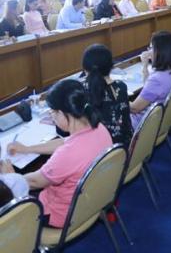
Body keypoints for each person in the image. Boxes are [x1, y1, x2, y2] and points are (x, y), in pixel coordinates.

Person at [6, 79, 112, 228]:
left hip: (63, 214)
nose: (52, 117)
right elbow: (64, 142)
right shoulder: (99, 128)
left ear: (62, 113)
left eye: (52, 113)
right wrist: (28, 149)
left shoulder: (68, 154)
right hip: (91, 199)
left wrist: (11, 178)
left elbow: (35, 182)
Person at [82, 44, 133, 148]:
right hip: (126, 146)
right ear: (111, 66)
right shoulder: (121, 87)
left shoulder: (83, 93)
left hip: (101, 151)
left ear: (85, 70)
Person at [130, 31, 171, 128]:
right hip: (160, 119)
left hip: (144, 124)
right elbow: (147, 88)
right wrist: (145, 66)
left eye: (151, 48)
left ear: (159, 52)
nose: (149, 51)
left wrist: (120, 99)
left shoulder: (157, 79)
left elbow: (134, 108)